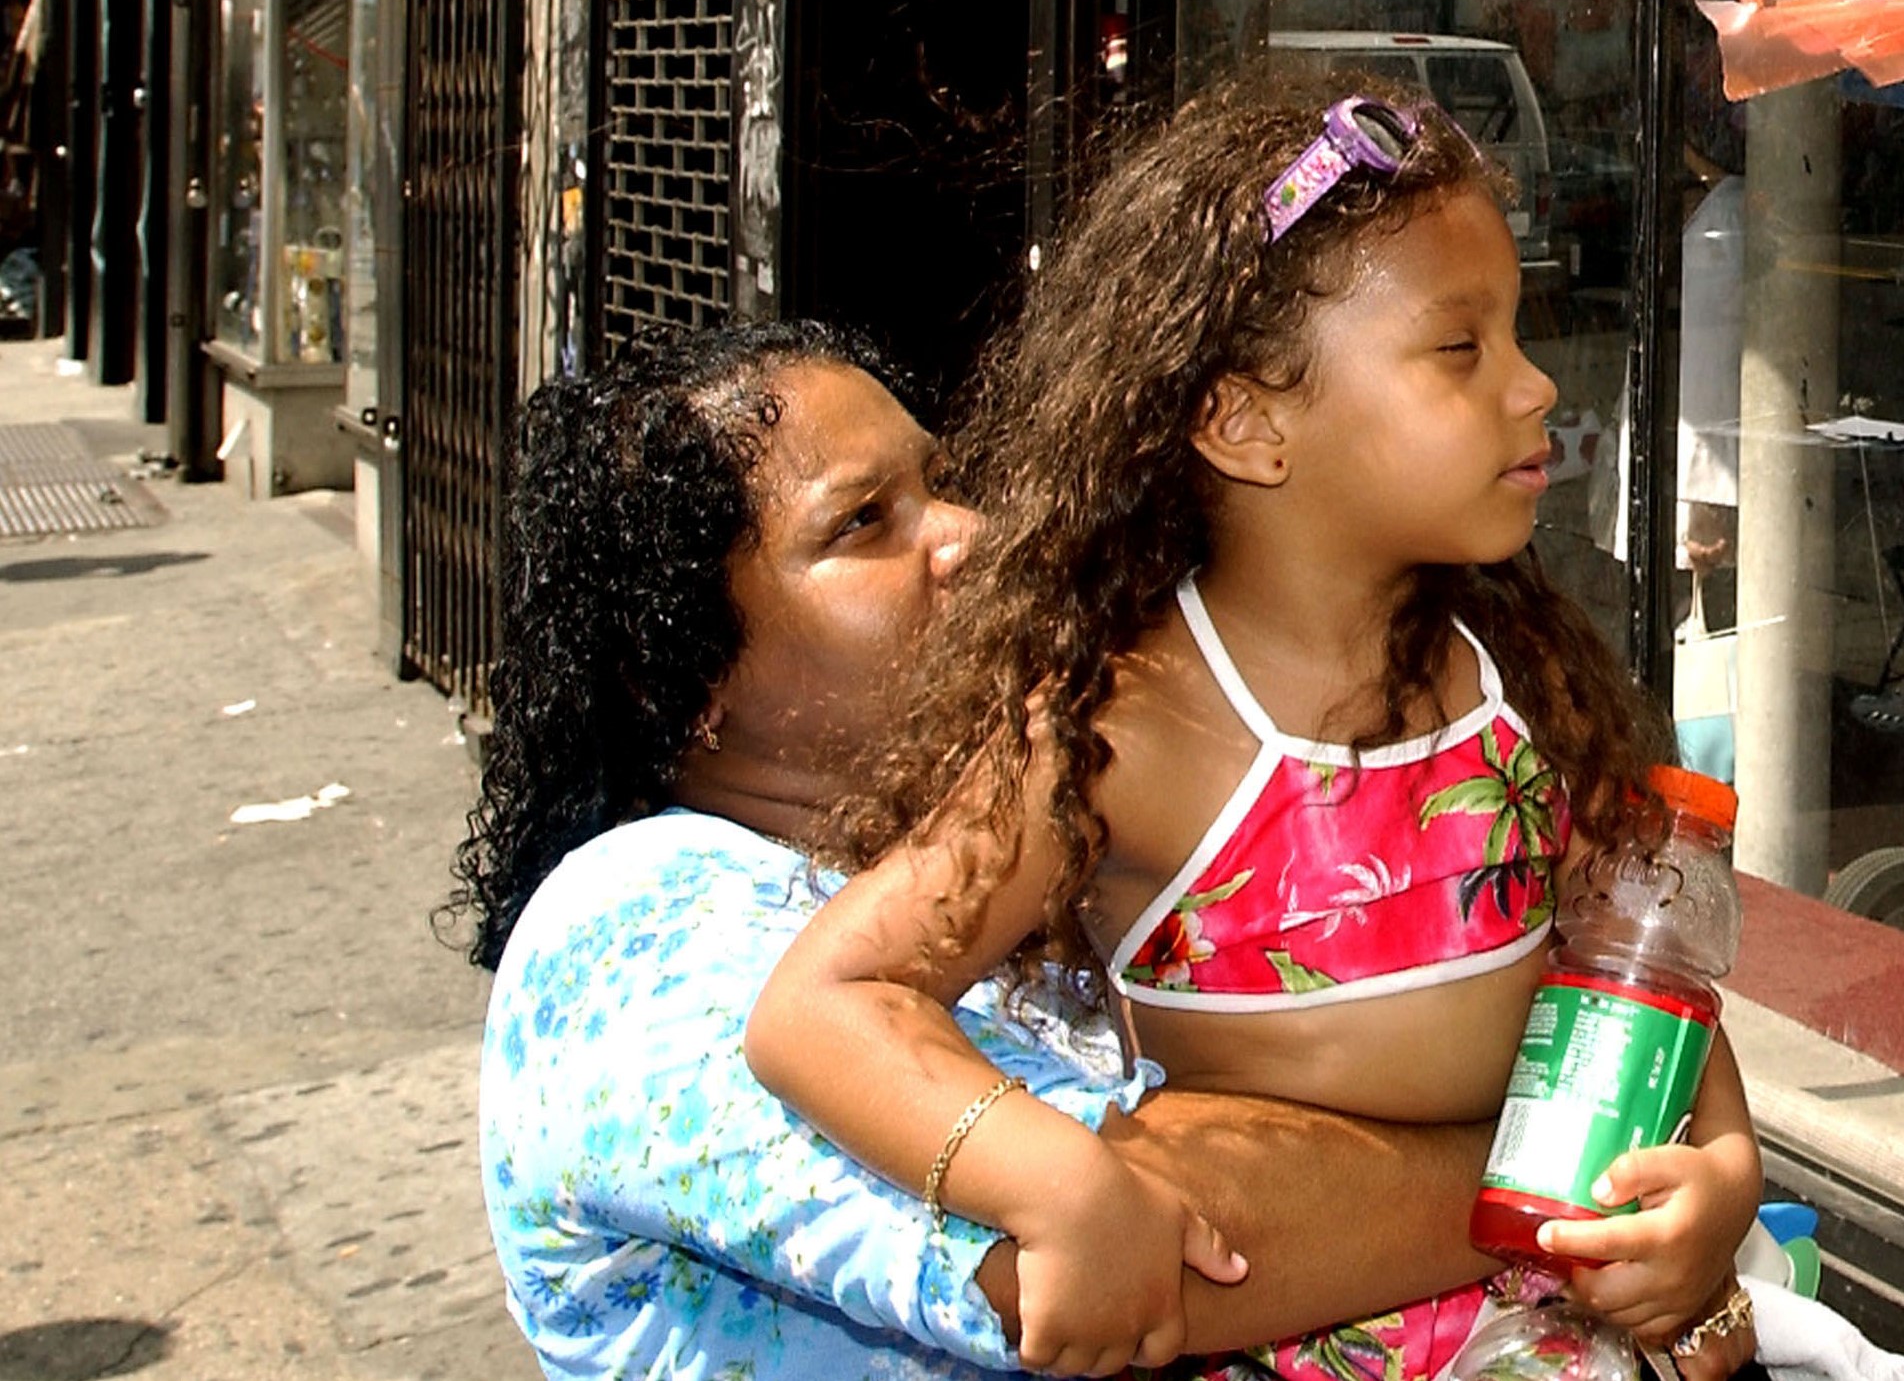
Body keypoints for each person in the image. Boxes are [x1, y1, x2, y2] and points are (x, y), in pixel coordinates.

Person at [749, 82, 1766, 1381]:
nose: (1532, 385)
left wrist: (1721, 1171)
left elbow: (1640, 966)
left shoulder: (1511, 674)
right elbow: (828, 998)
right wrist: (1051, 1175)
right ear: (1245, 419)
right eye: (1461, 349)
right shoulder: (1123, 722)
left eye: (1517, 330)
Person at [451, 320, 1509, 1380]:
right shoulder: (633, 941)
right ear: (679, 675)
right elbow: (1155, 1242)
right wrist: (1552, 1160)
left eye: (942, 481)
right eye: (863, 522)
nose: (969, 532)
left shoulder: (968, 847)